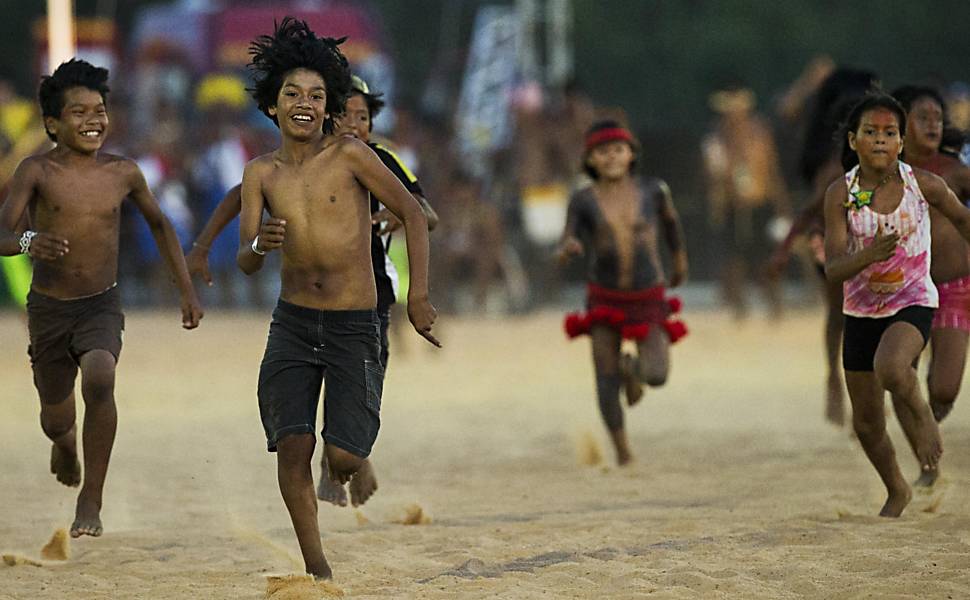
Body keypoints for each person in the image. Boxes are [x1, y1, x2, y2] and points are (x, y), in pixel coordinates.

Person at [239, 18, 437, 580]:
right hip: (293, 324)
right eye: (292, 94)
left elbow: (415, 217)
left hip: (354, 324)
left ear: (329, 107)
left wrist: (417, 297)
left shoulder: (352, 157)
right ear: (272, 106)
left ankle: (346, 455)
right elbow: (246, 259)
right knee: (291, 444)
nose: (305, 103)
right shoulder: (260, 173)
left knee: (345, 456)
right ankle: (317, 567)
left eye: (317, 95)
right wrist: (260, 242)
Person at [185, 74, 438, 507]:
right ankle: (337, 456)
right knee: (312, 383)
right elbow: (238, 196)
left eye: (363, 118)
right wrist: (205, 245)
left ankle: (349, 451)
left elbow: (422, 212)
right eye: (345, 115)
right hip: (307, 306)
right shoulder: (285, 165)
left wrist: (398, 223)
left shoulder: (375, 159)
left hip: (371, 290)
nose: (353, 125)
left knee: (362, 381)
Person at [0, 59, 203, 537]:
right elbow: (4, 234)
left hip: (100, 304)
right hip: (49, 309)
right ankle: (65, 443)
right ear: (52, 123)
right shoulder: (36, 171)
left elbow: (159, 224)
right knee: (55, 417)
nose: (94, 120)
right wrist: (31, 242)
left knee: (100, 375)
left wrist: (186, 289)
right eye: (79, 112)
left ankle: (91, 498)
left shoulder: (123, 173)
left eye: (100, 110)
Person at [823, 93, 970, 517]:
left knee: (893, 367)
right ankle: (896, 490)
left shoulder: (923, 185)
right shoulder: (841, 195)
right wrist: (868, 254)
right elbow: (833, 269)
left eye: (889, 133)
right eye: (871, 133)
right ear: (854, 141)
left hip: (913, 301)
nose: (881, 140)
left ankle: (922, 417)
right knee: (866, 425)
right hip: (861, 312)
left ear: (901, 142)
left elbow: (963, 220)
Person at [557, 120, 688, 466]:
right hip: (605, 296)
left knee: (657, 375)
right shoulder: (583, 199)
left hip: (647, 294)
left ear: (631, 154)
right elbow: (568, 234)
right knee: (604, 377)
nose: (611, 157)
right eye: (602, 152)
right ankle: (623, 452)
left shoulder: (654, 190)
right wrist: (568, 247)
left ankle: (634, 370)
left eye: (618, 149)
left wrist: (679, 262)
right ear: (591, 160)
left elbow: (672, 226)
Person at [768, 69, 879, 426]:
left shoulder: (888, 164)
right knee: (840, 315)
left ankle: (866, 395)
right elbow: (809, 212)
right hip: (835, 248)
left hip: (876, 248)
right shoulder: (831, 168)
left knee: (872, 320)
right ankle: (836, 380)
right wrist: (783, 251)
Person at [891, 85, 970, 486]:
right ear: (900, 123)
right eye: (923, 118)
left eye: (938, 118)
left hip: (955, 288)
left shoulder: (956, 174)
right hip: (903, 292)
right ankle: (928, 464)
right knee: (899, 375)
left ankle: (928, 422)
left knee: (943, 390)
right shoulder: (885, 174)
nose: (933, 124)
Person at [701, 84, 790, 320]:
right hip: (732, 207)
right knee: (734, 258)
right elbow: (712, 178)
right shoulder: (716, 141)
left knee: (766, 256)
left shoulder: (760, 134)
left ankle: (775, 305)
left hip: (760, 204)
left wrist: (782, 207)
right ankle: (739, 308)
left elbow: (772, 172)